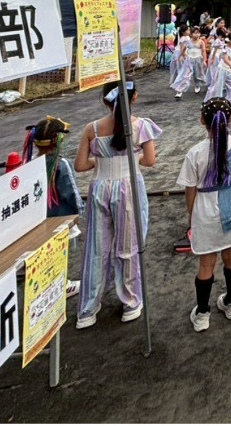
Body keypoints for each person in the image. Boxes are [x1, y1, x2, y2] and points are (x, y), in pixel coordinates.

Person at [75, 81, 160, 328]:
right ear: (135, 97)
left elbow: (80, 165)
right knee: (129, 244)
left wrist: (100, 161)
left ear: (105, 100)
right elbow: (150, 161)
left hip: (100, 186)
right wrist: (133, 157)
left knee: (96, 246)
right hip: (129, 186)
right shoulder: (140, 126)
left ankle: (88, 309)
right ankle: (130, 302)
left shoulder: (92, 129)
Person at [177, 98, 231, 332]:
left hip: (206, 210)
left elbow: (190, 190)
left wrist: (192, 215)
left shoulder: (195, 153)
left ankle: (202, 313)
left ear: (202, 120)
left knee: (206, 264)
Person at [21, 116, 83, 297]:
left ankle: (45, 285)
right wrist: (80, 211)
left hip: (37, 220)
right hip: (61, 219)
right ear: (59, 139)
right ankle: (61, 286)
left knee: (44, 254)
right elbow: (71, 193)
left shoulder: (29, 163)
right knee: (59, 254)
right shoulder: (61, 164)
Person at [171, 27, 207, 98]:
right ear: (191, 34)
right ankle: (179, 90)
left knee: (197, 74)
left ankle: (197, 85)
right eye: (195, 33)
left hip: (198, 60)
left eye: (198, 33)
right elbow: (183, 49)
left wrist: (204, 60)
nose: (197, 35)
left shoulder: (201, 42)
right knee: (185, 75)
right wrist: (180, 57)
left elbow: (203, 51)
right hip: (189, 60)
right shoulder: (188, 41)